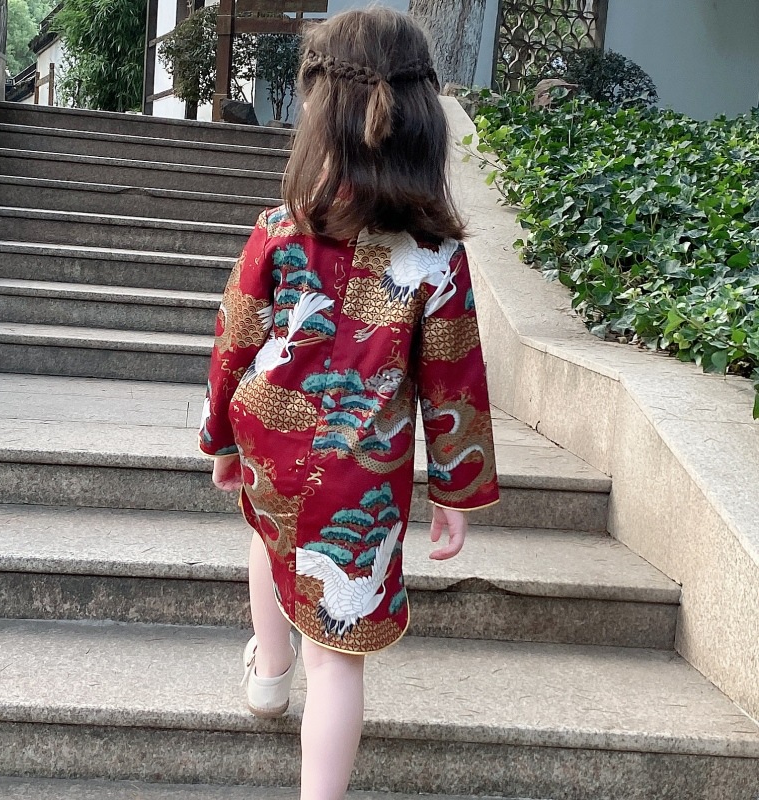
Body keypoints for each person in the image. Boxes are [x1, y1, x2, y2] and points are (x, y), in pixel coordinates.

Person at [199, 7, 499, 799]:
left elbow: (235, 336)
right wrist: (456, 488)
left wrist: (220, 437)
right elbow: (453, 378)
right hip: (362, 467)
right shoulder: (437, 258)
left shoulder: (278, 229)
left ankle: (269, 673)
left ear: (317, 114)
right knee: (338, 658)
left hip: (269, 435)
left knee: (269, 535)